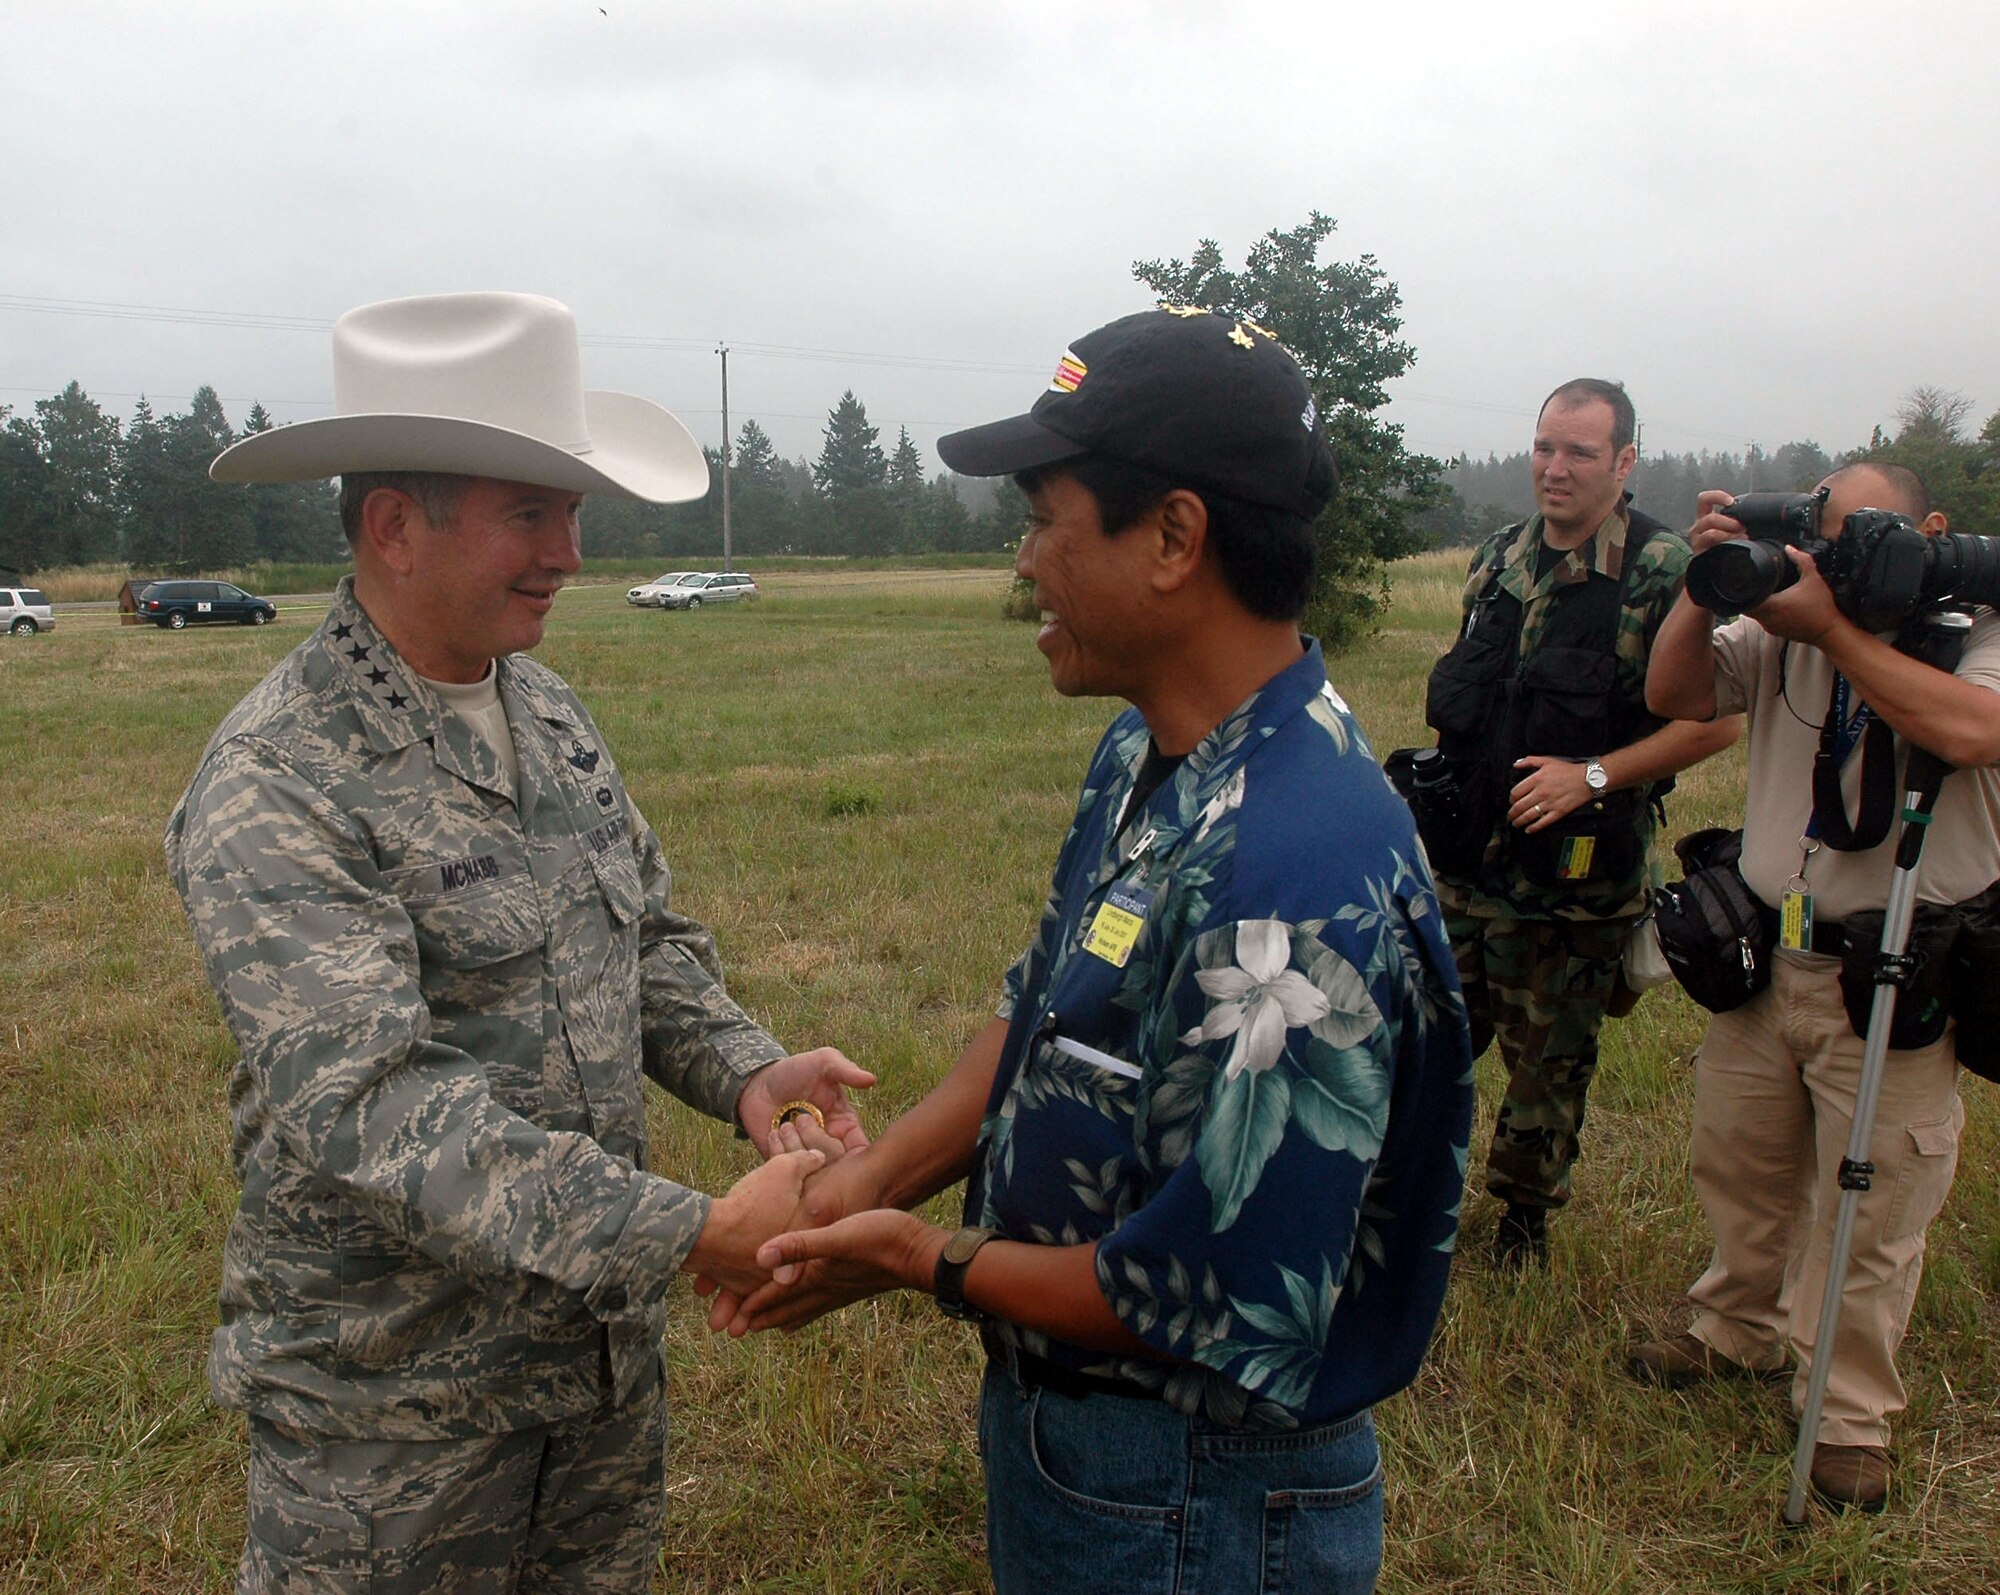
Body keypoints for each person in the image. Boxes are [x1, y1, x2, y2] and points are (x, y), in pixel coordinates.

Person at [707, 308, 1474, 1594]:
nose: (1024, 565)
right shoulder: (1150, 751)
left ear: (1172, 536)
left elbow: (1209, 1291)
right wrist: (867, 1181)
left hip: (1195, 1487)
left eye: (1044, 519)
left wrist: (909, 1253)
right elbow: (1041, 1017)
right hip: (1088, 1452)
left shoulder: (1288, 873)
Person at [167, 292, 872, 1592]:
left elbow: (643, 938)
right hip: (393, 1421)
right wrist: (687, 1229)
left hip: (592, 1386)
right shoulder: (282, 774)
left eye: (574, 511)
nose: (572, 552)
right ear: (393, 524)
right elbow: (372, 1107)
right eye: (531, 511)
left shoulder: (543, 708)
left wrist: (745, 1067)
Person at [1630, 462, 1998, 1512]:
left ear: (1925, 527)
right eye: (1818, 535)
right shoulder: (1780, 625)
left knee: (1873, 1205)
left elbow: (1969, 733)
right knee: (1736, 1162)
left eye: (1857, 535)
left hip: (1896, 964)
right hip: (1766, 953)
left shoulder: (1974, 630)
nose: (1830, 558)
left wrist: (1838, 633)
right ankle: (1733, 1327)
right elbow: (1672, 693)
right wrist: (1702, 588)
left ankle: (1843, 1416)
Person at [1421, 380, 1738, 1264]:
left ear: (1625, 461)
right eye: (1544, 447)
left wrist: (1592, 775)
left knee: (1547, 1064)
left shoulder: (1664, 570)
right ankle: (1405, 1192)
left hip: (1570, 877)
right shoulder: (1496, 557)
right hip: (1464, 861)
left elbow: (1717, 718)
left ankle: (1524, 1218)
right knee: (1422, 1039)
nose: (1554, 470)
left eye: (1580, 453)